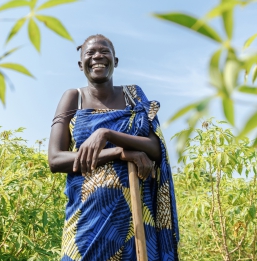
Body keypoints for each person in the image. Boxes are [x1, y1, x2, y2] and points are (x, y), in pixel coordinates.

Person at [48, 34, 179, 261]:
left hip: (136, 218)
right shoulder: (73, 98)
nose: (97, 56)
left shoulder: (133, 95)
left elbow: (156, 148)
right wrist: (120, 152)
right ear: (81, 65)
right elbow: (56, 160)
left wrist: (106, 134)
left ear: (115, 61)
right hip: (88, 219)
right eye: (90, 53)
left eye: (104, 51)